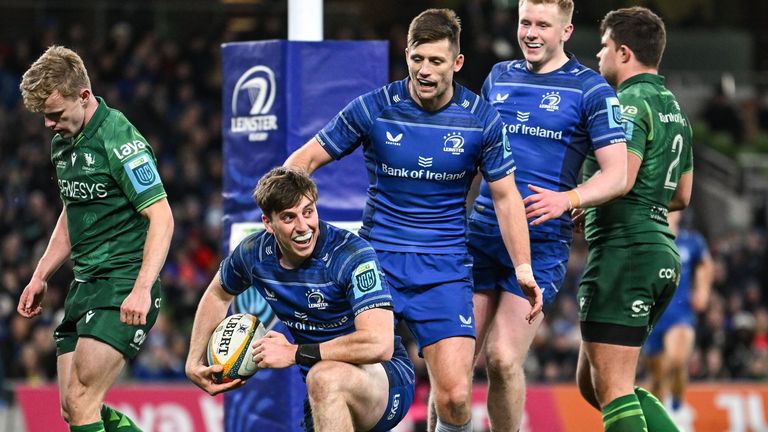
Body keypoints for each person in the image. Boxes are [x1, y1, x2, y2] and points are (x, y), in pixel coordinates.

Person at [285, 9, 542, 432]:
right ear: (406, 54)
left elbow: (506, 198)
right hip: (374, 266)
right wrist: (291, 221)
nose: (424, 70)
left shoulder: (481, 119)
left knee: (456, 399)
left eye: (436, 61)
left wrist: (523, 267)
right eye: (417, 59)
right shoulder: (375, 107)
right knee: (335, 381)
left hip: (443, 271)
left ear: (456, 63)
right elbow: (303, 161)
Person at [466, 0, 628, 429]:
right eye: (525, 22)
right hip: (481, 235)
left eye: (542, 24)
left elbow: (618, 175)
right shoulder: (498, 76)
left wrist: (568, 199)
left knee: (501, 359)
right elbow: (472, 156)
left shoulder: (591, 89)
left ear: (566, 31)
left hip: (540, 242)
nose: (531, 33)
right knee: (454, 363)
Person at [185, 167, 415, 432]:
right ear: (268, 223)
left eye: (308, 212)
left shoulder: (351, 255)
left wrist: (294, 352)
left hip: (384, 379)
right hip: (322, 392)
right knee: (322, 380)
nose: (303, 227)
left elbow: (379, 344)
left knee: (323, 376)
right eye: (288, 217)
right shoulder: (253, 254)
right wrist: (194, 361)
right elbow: (217, 294)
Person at [17, 46, 174, 432]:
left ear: (84, 97)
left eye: (55, 113)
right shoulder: (64, 143)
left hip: (122, 283)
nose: (48, 124)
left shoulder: (119, 139)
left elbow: (162, 217)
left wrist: (140, 288)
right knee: (72, 409)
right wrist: (41, 275)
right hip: (85, 285)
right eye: (44, 116)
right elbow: (73, 213)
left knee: (82, 399)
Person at [575, 7, 694, 431]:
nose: (599, 53)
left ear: (624, 52)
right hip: (659, 249)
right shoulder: (674, 108)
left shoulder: (627, 102)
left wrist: (575, 199)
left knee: (612, 388)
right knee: (594, 385)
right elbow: (681, 195)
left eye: (604, 46)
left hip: (626, 252)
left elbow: (620, 177)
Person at [643, 210, 713, 430]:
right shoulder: (649, 239)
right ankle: (660, 419)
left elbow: (706, 264)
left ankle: (678, 407)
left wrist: (703, 291)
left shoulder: (691, 241)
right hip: (652, 316)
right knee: (656, 376)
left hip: (680, 313)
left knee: (676, 359)